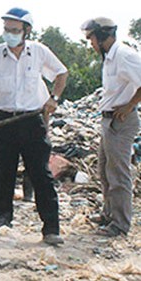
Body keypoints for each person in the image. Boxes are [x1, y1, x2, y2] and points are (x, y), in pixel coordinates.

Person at [0, 7, 68, 245]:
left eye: (15, 30)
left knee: (41, 175)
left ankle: (51, 229)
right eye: (6, 29)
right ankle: (3, 223)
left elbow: (61, 73)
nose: (10, 34)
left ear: (26, 31)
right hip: (3, 121)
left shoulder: (38, 52)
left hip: (31, 121)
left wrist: (53, 98)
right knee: (2, 173)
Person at [81, 17, 141, 237]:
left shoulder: (125, 55)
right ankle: (109, 214)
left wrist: (130, 105)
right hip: (109, 120)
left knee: (118, 174)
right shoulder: (109, 59)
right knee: (105, 171)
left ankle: (120, 224)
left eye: (91, 38)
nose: (90, 43)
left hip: (121, 121)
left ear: (103, 35)